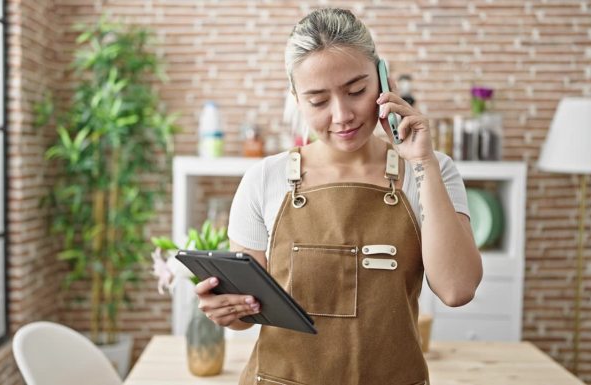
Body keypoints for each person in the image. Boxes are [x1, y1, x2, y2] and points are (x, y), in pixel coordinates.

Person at [194, 8, 482, 384]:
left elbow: (457, 289)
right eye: (318, 101)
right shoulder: (264, 179)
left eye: (357, 90)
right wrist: (227, 311)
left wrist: (421, 160)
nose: (342, 115)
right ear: (296, 99)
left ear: (383, 79)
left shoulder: (429, 170)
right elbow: (248, 315)